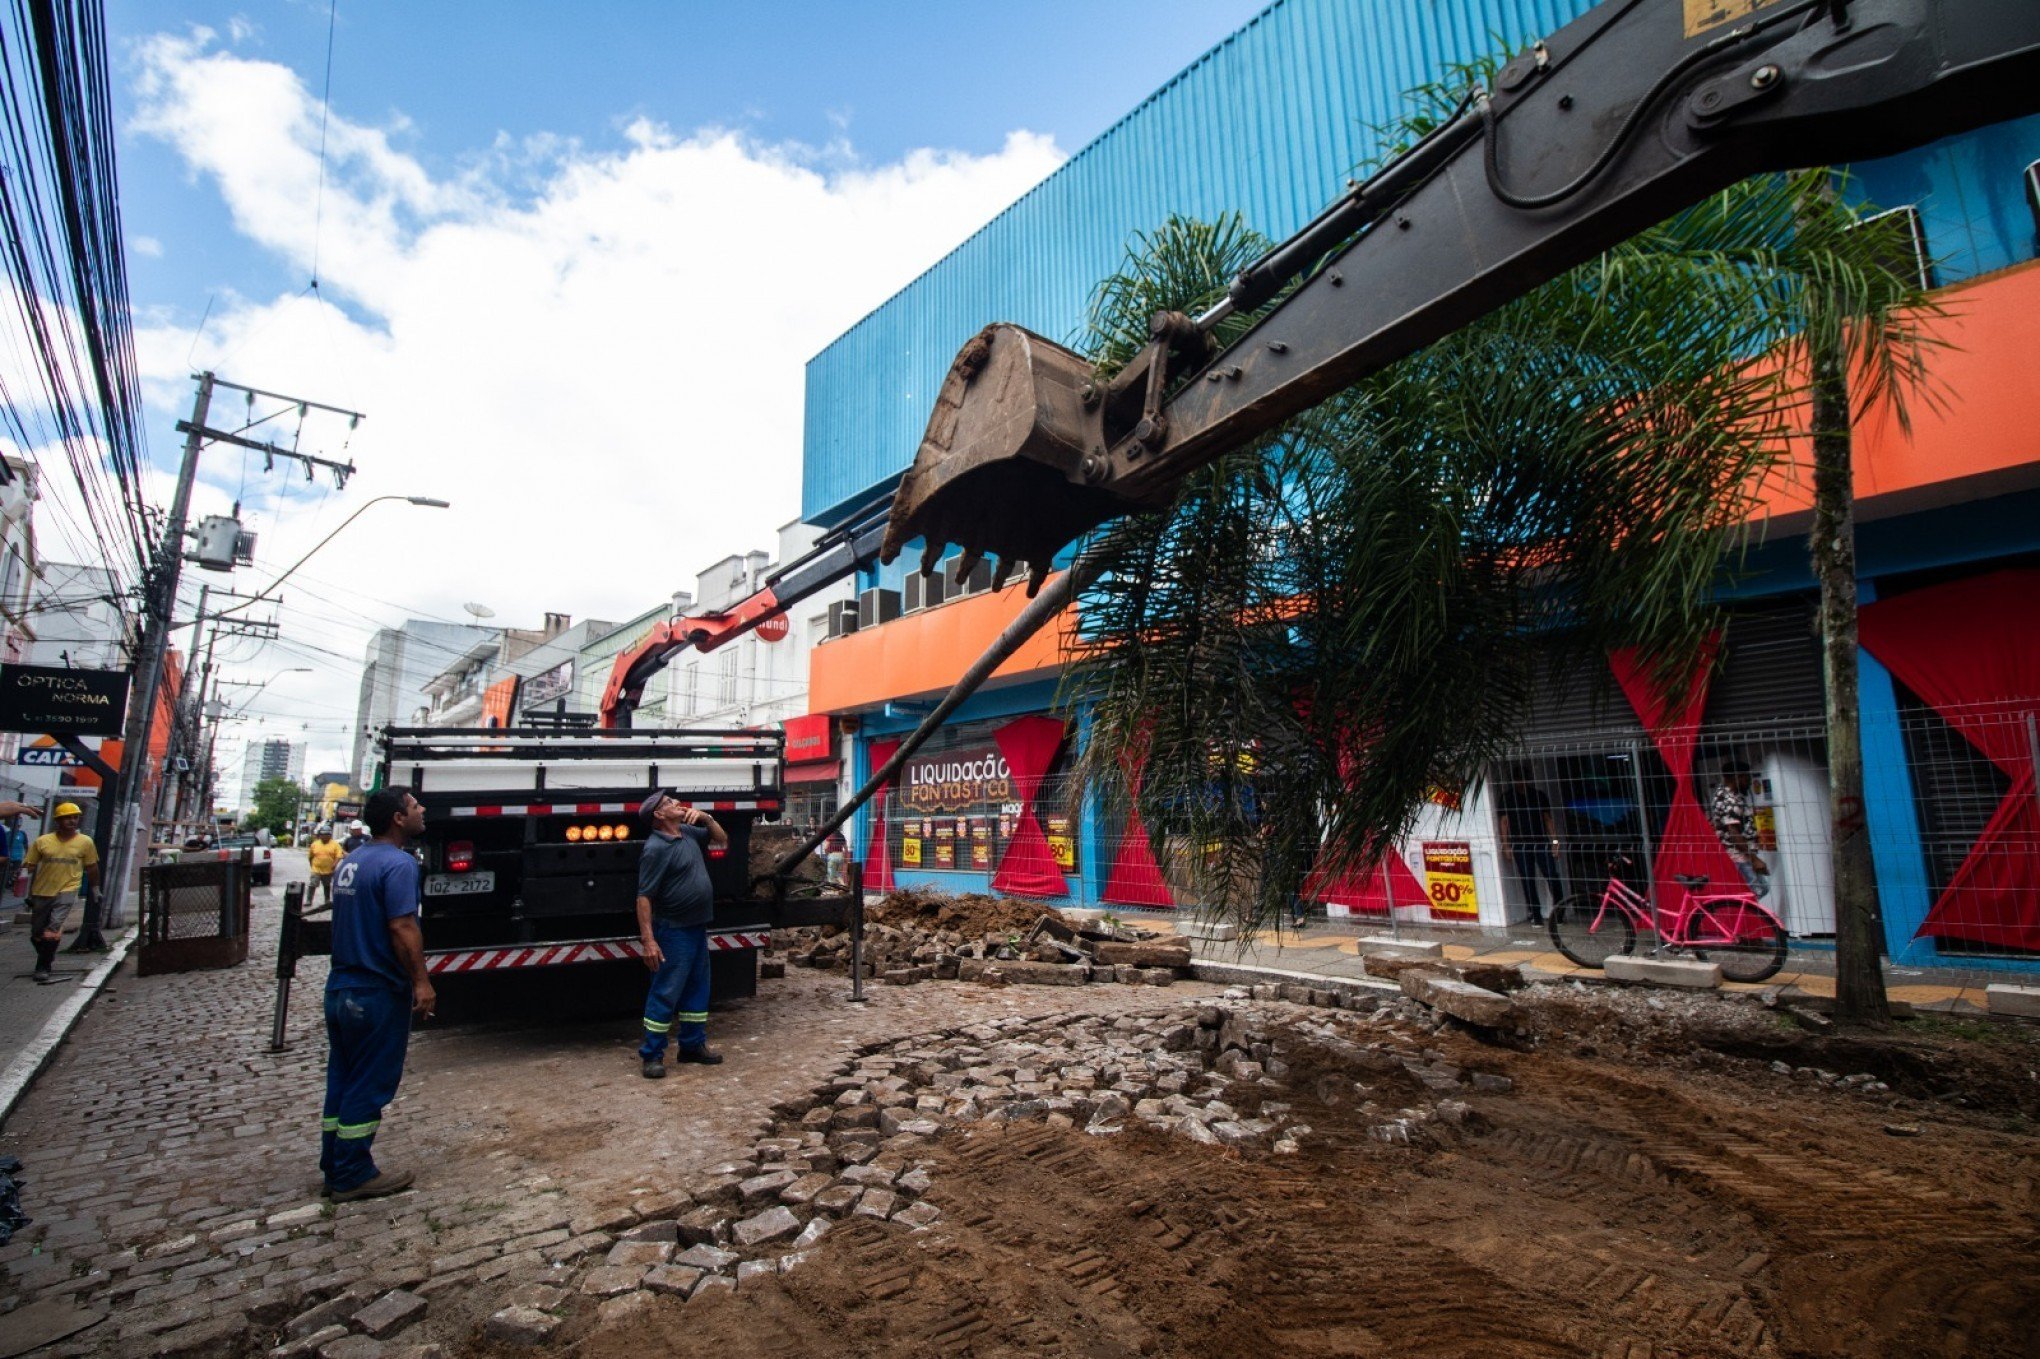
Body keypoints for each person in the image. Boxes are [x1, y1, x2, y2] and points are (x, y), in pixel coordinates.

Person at [320, 786, 434, 1202]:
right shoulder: (398, 864)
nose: (422, 810)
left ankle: (333, 1165)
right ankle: (352, 1172)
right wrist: (421, 981)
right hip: (375, 990)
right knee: (370, 1081)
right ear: (398, 819)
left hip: (342, 986)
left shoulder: (351, 862)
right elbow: (402, 926)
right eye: (415, 806)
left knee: (343, 1079)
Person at [635, 788, 728, 1078]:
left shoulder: (688, 832)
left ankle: (691, 1046)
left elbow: (722, 840)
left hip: (696, 926)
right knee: (665, 991)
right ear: (659, 815)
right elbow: (644, 897)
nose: (677, 803)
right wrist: (649, 940)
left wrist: (707, 818)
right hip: (673, 931)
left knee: (697, 990)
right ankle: (651, 1055)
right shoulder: (656, 848)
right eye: (668, 802)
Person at [16, 803, 98, 983]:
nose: (72, 820)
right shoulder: (43, 842)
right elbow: (29, 866)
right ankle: (47, 955)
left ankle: (43, 967)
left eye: (75, 817)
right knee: (37, 932)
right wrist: (22, 885)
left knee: (53, 929)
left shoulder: (85, 842)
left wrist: (95, 888)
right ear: (58, 820)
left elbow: (91, 867)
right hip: (42, 891)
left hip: (68, 889)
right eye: (68, 817)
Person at [1496, 767, 1563, 926]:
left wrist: (1554, 842)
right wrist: (1506, 845)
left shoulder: (1538, 795)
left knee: (1552, 875)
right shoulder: (1508, 797)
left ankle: (1560, 912)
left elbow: (1548, 820)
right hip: (1520, 843)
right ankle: (1536, 914)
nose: (1521, 783)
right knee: (1527, 879)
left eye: (1523, 779)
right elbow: (1504, 822)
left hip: (1540, 841)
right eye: (1518, 780)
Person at [1710, 758, 1771, 900]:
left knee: (1752, 893)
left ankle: (1745, 917)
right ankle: (1743, 920)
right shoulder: (1730, 801)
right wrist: (1754, 859)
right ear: (1738, 777)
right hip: (1738, 856)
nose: (1750, 782)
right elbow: (1733, 833)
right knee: (1756, 892)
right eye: (1746, 777)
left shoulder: (1722, 794)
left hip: (1738, 855)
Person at [305, 825, 345, 908]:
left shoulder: (335, 844)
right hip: (316, 869)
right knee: (312, 884)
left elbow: (339, 855)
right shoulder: (315, 844)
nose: (324, 836)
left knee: (327, 885)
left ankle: (327, 899)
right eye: (323, 835)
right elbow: (310, 856)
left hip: (328, 870)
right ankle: (309, 900)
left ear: (330, 835)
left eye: (326, 835)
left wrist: (335, 864)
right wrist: (312, 865)